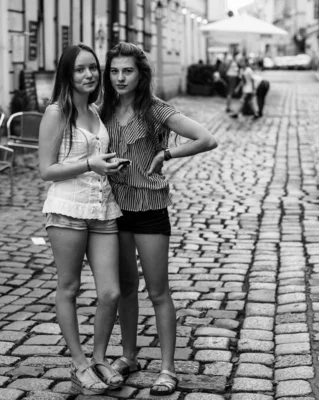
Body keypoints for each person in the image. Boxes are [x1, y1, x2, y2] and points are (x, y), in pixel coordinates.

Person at [100, 42, 218, 396]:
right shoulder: (102, 109)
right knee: (125, 289)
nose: (120, 78)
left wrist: (167, 152)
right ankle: (129, 355)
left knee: (158, 290)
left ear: (141, 74)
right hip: (116, 207)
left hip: (150, 208)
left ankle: (167, 369)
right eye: (115, 71)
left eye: (128, 71)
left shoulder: (154, 109)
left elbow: (206, 139)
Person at [38, 43, 126, 395]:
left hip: (102, 209)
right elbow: (47, 170)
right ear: (67, 75)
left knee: (111, 291)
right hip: (67, 210)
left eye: (93, 68)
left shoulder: (94, 111)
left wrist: (108, 164)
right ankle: (78, 364)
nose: (89, 74)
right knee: (69, 288)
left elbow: (95, 158)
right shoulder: (56, 113)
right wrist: (90, 163)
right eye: (80, 69)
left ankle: (99, 357)